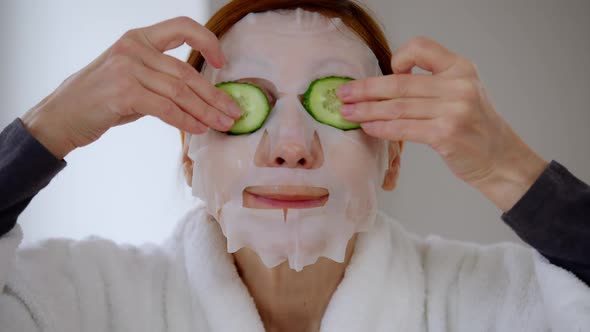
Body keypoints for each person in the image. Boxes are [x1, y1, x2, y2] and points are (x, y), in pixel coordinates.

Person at [1, 0, 589, 331]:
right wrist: (47, 128)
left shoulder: (491, 304)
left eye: (332, 103)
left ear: (392, 159)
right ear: (187, 154)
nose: (289, 145)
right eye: (244, 102)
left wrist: (509, 169)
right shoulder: (84, 301)